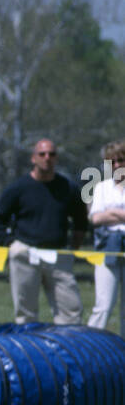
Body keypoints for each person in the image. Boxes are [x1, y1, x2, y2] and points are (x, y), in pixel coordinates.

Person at [0, 138, 87, 324]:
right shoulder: (18, 188)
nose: (47, 158)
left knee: (71, 311)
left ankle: (66, 348)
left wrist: (73, 248)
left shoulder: (68, 188)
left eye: (51, 154)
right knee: (26, 313)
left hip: (58, 254)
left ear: (56, 158)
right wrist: (11, 244)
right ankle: (28, 349)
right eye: (42, 154)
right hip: (26, 252)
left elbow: (81, 221)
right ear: (34, 158)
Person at [87, 140, 125, 330]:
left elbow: (104, 215)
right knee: (104, 304)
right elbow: (95, 218)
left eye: (121, 160)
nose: (117, 165)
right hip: (108, 248)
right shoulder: (102, 187)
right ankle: (90, 346)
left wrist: (110, 213)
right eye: (112, 162)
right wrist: (120, 214)